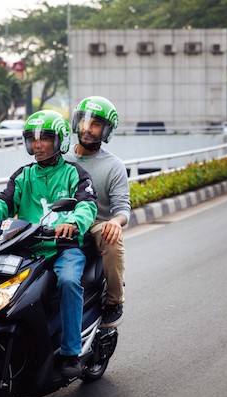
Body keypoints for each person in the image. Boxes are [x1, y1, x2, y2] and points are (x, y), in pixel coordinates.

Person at [0, 110, 97, 379]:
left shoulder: (74, 174)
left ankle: (71, 352)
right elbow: (2, 204)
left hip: (63, 249)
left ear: (59, 141)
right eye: (32, 138)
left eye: (45, 138)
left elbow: (87, 206)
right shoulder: (23, 176)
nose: (38, 144)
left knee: (69, 281)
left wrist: (72, 223)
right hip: (26, 249)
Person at [65, 96, 131, 329]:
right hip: (60, 222)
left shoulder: (114, 166)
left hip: (95, 224)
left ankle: (114, 300)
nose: (87, 129)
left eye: (95, 124)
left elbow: (123, 208)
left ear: (106, 131)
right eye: (84, 122)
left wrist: (115, 221)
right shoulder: (60, 158)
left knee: (110, 237)